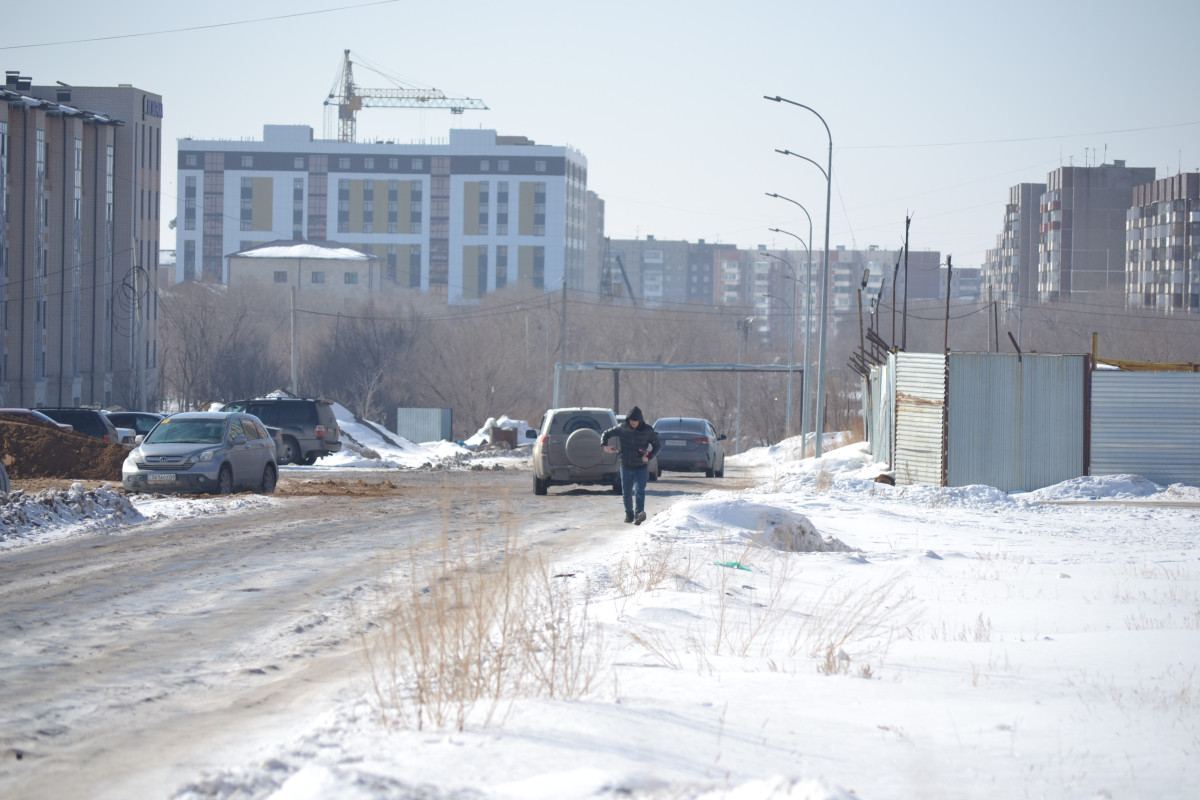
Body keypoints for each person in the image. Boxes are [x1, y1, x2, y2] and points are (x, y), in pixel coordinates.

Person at [602, 406, 660, 525]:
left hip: (641, 467)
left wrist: (649, 457)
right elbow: (606, 434)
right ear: (628, 420)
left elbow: (657, 446)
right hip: (625, 466)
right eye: (631, 420)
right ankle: (629, 514)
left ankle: (639, 514)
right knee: (627, 492)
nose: (633, 423)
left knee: (639, 491)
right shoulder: (622, 428)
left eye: (635, 420)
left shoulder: (647, 430)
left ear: (640, 420)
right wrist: (604, 446)